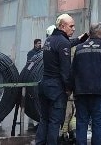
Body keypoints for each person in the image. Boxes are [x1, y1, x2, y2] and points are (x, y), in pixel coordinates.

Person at [72, 22, 101, 145]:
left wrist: (71, 89)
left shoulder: (79, 48)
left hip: (81, 92)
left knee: (81, 122)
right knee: (98, 122)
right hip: (100, 92)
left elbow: (73, 70)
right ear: (99, 33)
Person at [35, 14, 75, 145]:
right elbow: (66, 71)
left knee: (44, 119)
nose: (73, 29)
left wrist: (82, 39)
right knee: (54, 122)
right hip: (56, 89)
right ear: (62, 26)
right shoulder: (63, 43)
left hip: (44, 85)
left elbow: (65, 44)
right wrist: (69, 88)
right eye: (71, 26)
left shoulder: (49, 40)